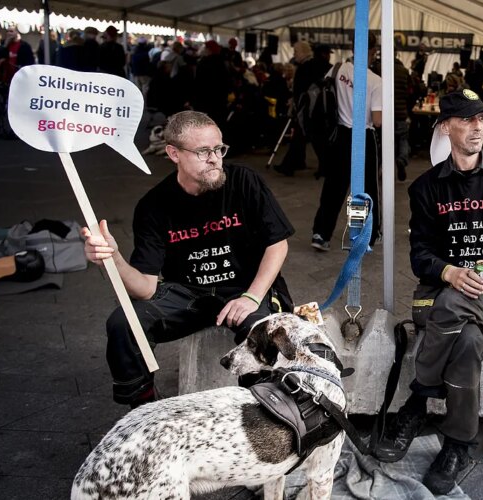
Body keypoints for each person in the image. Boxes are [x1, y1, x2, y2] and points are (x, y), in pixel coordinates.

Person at [374, 89, 483, 494]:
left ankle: (418, 400)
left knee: (455, 304)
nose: (477, 127)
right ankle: (459, 443)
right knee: (466, 339)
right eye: (466, 120)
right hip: (440, 296)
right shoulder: (426, 188)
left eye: (482, 119)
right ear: (445, 127)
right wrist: (449, 271)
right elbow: (420, 256)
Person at [81, 111, 294, 408]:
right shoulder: (153, 206)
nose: (215, 158)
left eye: (219, 149)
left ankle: (266, 409)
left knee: (263, 334)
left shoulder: (244, 182)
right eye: (203, 151)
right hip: (187, 293)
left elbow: (277, 244)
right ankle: (143, 409)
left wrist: (251, 296)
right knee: (124, 322)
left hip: (245, 287)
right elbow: (144, 287)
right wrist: (111, 257)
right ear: (173, 153)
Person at [311, 33, 382, 252]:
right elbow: (378, 121)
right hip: (364, 137)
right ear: (373, 51)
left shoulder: (338, 70)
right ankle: (365, 236)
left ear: (353, 48)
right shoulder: (376, 81)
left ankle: (321, 233)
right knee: (366, 189)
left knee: (333, 186)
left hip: (339, 134)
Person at [276, 41, 333, 177]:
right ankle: (295, 164)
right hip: (314, 109)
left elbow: (301, 90)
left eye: (296, 52)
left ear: (303, 52)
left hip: (308, 110)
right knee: (304, 137)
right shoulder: (314, 66)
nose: (294, 54)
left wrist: (295, 103)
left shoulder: (306, 67)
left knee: (311, 138)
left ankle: (291, 165)